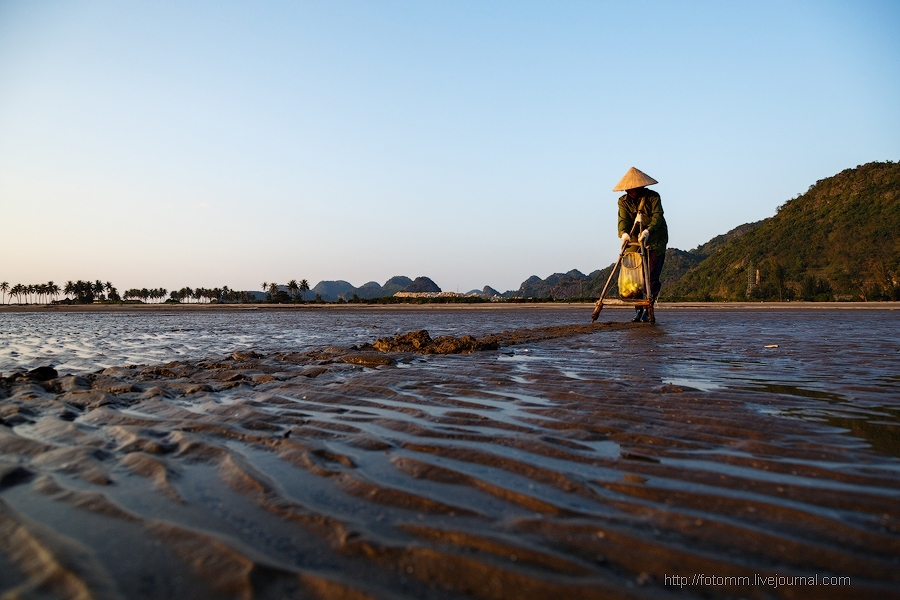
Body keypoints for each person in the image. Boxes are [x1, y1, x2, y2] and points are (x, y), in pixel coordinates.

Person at [613, 167, 668, 322]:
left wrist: (648, 231)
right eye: (628, 190)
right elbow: (623, 220)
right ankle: (638, 309)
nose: (631, 192)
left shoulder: (653, 197)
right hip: (634, 238)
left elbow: (658, 216)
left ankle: (648, 308)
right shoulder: (623, 201)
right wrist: (624, 234)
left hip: (655, 238)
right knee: (633, 277)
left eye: (634, 189)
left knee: (650, 276)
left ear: (641, 187)